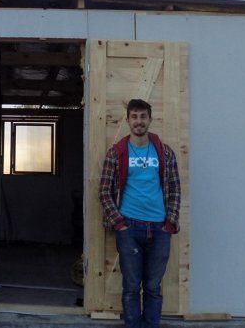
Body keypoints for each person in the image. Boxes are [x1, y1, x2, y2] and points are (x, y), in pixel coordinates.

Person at [98, 99, 180, 328]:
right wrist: (119, 224)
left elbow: (174, 188)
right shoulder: (117, 153)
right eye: (134, 116)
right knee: (132, 286)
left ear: (150, 119)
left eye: (143, 116)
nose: (139, 121)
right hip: (129, 228)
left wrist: (170, 223)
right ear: (127, 121)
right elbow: (104, 192)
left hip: (159, 228)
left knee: (153, 286)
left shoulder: (164, 152)